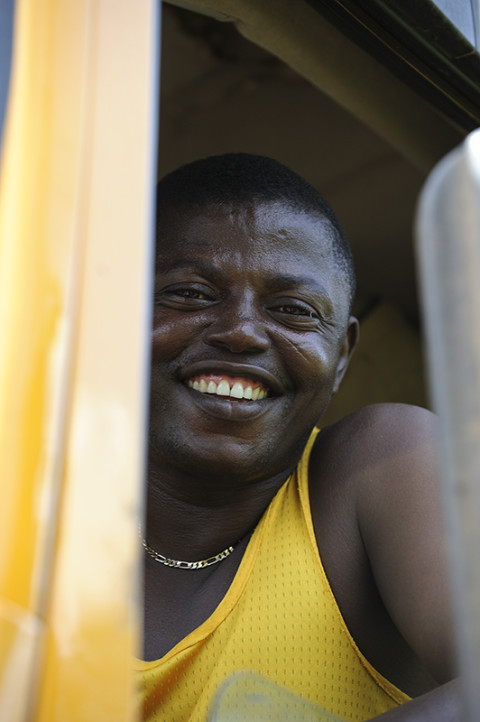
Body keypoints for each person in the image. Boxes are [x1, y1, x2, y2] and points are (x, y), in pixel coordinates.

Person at [136, 153, 459, 721]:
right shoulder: (26, 505)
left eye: (293, 310)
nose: (239, 332)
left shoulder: (380, 464)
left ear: (341, 357)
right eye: (190, 294)